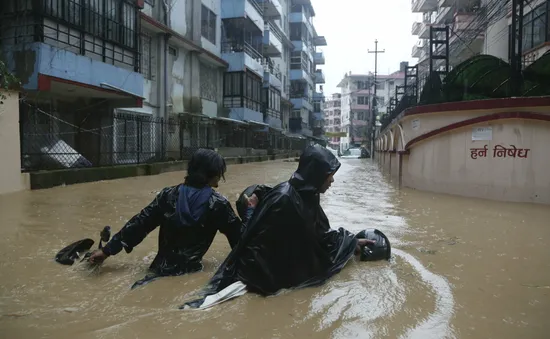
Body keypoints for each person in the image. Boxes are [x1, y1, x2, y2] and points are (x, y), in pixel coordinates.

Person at [183, 145, 381, 309]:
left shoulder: (309, 196)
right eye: (329, 175)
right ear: (317, 174)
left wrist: (349, 242)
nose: (332, 180)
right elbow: (255, 244)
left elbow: (319, 234)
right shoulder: (284, 199)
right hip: (252, 277)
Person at [88, 148, 258, 288]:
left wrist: (106, 250)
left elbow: (140, 224)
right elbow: (241, 241)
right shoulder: (218, 204)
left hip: (155, 273)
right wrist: (250, 211)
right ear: (212, 176)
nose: (219, 180)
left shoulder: (168, 196)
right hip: (190, 277)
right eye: (219, 175)